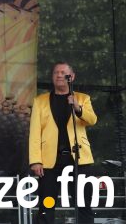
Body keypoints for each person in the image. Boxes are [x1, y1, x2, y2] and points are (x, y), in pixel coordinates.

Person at [29, 62, 98, 224]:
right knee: (47, 203)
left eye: (63, 73)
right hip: (50, 161)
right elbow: (34, 132)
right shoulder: (40, 101)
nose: (59, 75)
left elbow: (92, 120)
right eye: (56, 73)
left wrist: (77, 108)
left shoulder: (83, 98)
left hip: (78, 159)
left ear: (71, 77)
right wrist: (35, 160)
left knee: (83, 202)